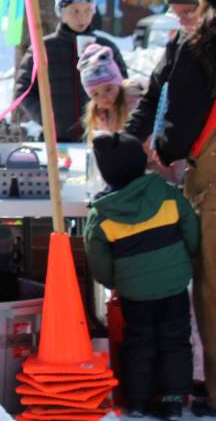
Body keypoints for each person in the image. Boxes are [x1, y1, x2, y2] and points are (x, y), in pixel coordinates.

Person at [85, 132, 198, 419]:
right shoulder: (167, 194)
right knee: (175, 340)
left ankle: (136, 400)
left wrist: (115, 282)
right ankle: (173, 400)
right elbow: (191, 229)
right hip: (173, 285)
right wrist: (188, 258)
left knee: (139, 341)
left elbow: (98, 260)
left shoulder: (103, 214)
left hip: (134, 291)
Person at [152, 0, 216, 416]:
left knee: (213, 289)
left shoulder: (201, 45)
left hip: (211, 182)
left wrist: (165, 150)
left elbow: (179, 124)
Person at [14, 0, 127, 142]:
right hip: (55, 141)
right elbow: (23, 88)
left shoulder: (106, 47)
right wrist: (46, 117)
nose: (81, 18)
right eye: (75, 11)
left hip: (101, 137)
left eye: (87, 10)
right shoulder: (44, 48)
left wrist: (111, 113)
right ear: (61, 12)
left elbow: (123, 85)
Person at [125, 0, 201, 184]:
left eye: (188, 12)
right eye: (177, 15)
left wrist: (171, 144)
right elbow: (154, 96)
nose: (183, 21)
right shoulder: (179, 43)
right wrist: (124, 141)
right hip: (188, 168)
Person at [78, 43, 137, 140]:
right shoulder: (98, 113)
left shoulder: (135, 107)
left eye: (108, 89)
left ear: (118, 83)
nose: (103, 98)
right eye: (95, 94)